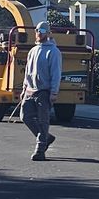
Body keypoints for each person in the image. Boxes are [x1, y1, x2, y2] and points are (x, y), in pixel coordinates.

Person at [21, 26, 62, 162]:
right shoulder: (33, 50)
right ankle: (46, 138)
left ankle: (40, 149)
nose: (39, 33)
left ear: (48, 33)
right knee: (25, 116)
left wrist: (54, 92)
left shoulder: (53, 51)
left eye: (42, 31)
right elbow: (27, 71)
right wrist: (24, 88)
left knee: (43, 120)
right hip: (30, 91)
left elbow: (56, 74)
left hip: (44, 91)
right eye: (37, 31)